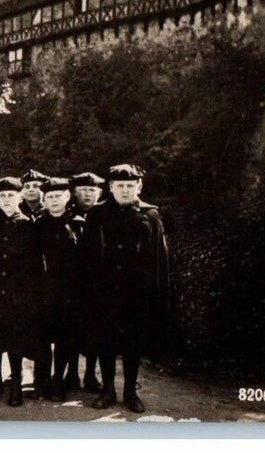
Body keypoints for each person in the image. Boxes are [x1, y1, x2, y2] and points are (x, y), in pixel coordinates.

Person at [79, 164, 171, 414]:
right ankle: (107, 389)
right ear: (110, 188)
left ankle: (130, 392)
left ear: (139, 187)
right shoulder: (97, 214)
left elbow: (159, 259)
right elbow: (86, 255)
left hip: (136, 292)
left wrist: (155, 292)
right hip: (104, 290)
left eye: (130, 186)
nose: (125, 190)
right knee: (105, 341)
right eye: (119, 186)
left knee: (133, 343)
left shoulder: (150, 215)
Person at [0, 177, 43, 406]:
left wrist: (28, 295)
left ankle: (16, 384)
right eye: (2, 196)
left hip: (18, 294)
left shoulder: (28, 225)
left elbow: (35, 265)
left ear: (20, 197)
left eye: (11, 196)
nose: (6, 200)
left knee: (15, 340)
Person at [34, 177, 83, 402]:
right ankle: (41, 380)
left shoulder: (78, 223)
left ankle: (58, 381)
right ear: (44, 200)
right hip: (43, 290)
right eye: (49, 197)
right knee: (43, 338)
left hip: (70, 292)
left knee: (65, 339)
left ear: (67, 197)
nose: (53, 200)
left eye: (58, 196)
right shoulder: (37, 224)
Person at [67, 171, 105, 393]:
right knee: (71, 330)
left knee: (95, 331)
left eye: (92, 190)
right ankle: (71, 374)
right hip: (73, 281)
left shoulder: (104, 215)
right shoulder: (67, 214)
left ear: (99, 192)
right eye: (83, 190)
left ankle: (90, 375)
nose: (88, 194)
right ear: (74, 192)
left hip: (98, 283)